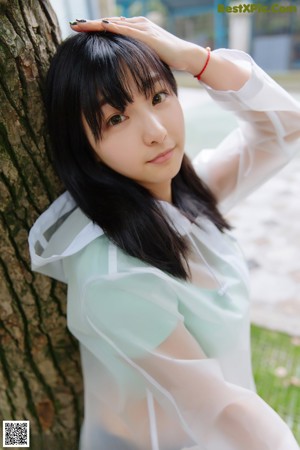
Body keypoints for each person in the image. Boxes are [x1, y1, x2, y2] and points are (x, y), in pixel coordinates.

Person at [28, 16, 300, 450]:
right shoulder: (116, 277)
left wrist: (197, 58)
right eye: (116, 119)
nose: (156, 133)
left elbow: (285, 127)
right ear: (83, 146)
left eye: (158, 96)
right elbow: (224, 411)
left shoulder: (185, 197)